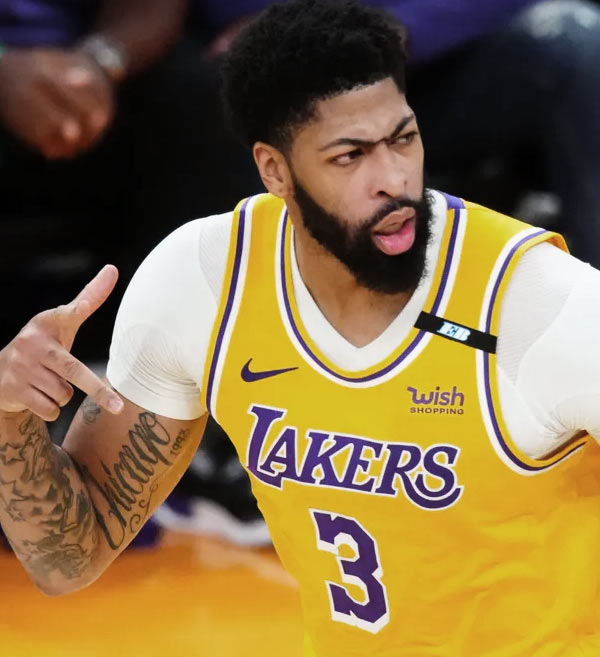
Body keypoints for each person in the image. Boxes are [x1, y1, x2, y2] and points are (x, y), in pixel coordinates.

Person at [2, 0, 600, 653]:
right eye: (350, 156)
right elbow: (69, 557)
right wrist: (10, 415)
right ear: (274, 170)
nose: (393, 179)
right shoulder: (204, 282)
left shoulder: (542, 305)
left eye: (403, 138)